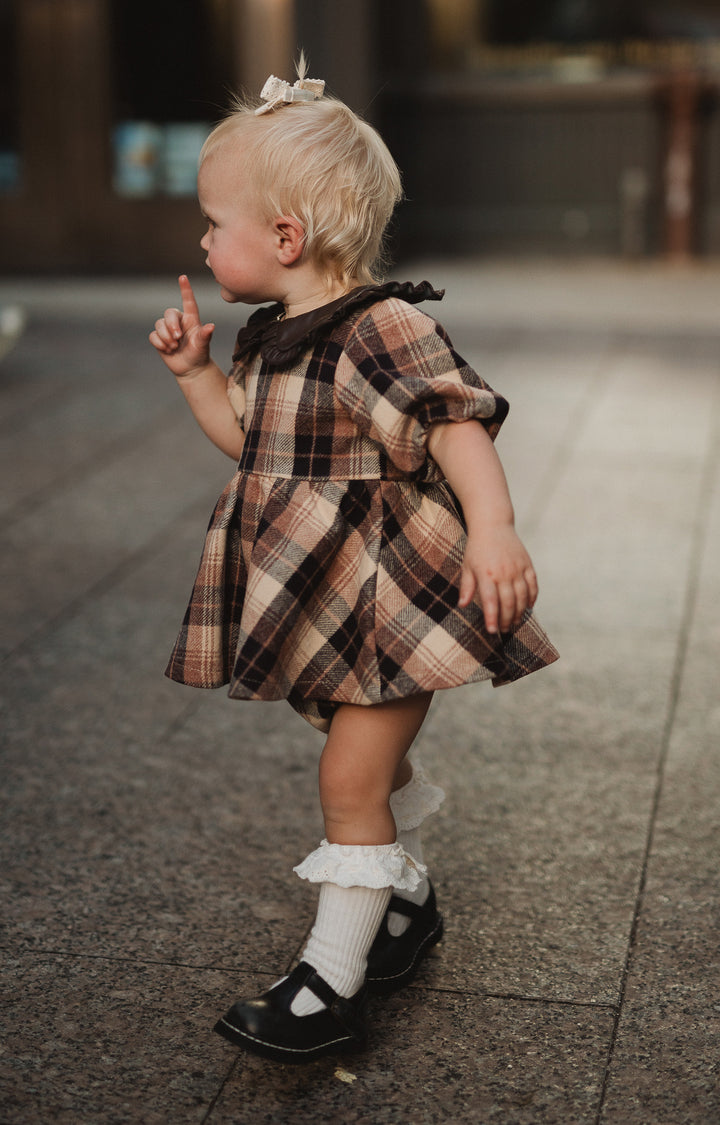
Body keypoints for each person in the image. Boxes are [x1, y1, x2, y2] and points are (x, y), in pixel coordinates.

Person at [150, 61, 559, 1064]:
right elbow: (248, 440)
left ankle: (327, 987)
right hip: (324, 601)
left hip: (393, 603)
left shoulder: (383, 328)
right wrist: (199, 374)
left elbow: (456, 425)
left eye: (216, 222)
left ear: (285, 238)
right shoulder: (275, 338)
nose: (203, 240)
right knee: (357, 759)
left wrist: (495, 526)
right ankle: (405, 905)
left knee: (350, 778)